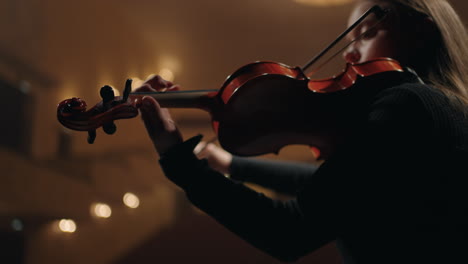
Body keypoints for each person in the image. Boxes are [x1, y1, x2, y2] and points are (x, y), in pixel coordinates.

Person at [135, 0, 468, 263]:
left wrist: (177, 158)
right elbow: (331, 190)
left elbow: (289, 232)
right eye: (350, 39)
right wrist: (231, 165)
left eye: (367, 33)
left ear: (421, 33)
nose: (350, 53)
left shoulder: (408, 101)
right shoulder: (444, 106)